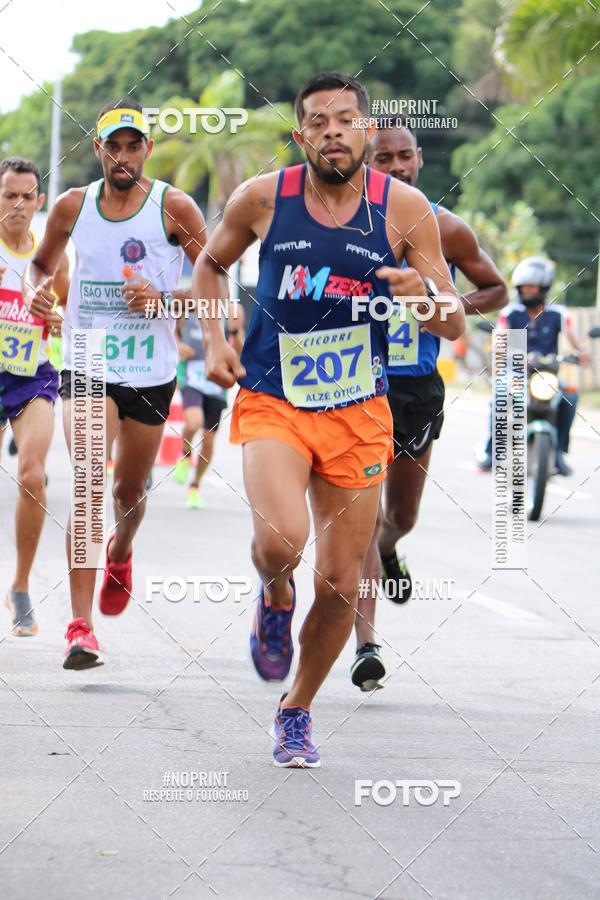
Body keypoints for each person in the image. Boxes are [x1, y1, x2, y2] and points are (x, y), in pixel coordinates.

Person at [193, 71, 464, 766]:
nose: (333, 130)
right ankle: (275, 592)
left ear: (368, 132)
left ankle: (297, 708)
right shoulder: (263, 198)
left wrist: (421, 293)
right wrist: (220, 339)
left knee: (343, 582)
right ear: (300, 135)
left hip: (358, 412)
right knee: (279, 544)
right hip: (276, 400)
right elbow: (209, 264)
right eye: (318, 121)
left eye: (346, 119)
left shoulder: (405, 210)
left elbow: (454, 318)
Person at [24, 100, 208, 669]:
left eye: (133, 145)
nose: (122, 156)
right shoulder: (71, 207)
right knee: (86, 485)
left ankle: (121, 552)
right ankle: (80, 627)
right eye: (112, 145)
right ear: (97, 149)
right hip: (88, 355)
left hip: (150, 369)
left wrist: (165, 301)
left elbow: (216, 288)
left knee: (129, 493)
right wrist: (42, 292)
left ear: (147, 149)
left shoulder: (173, 207)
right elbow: (42, 266)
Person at [350, 119, 508, 691]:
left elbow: (497, 288)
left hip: (417, 389)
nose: (395, 166)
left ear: (419, 162)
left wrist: (441, 301)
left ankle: (393, 551)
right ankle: (367, 646)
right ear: (368, 164)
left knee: (401, 518)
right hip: (357, 385)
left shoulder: (443, 228)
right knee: (362, 522)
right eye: (383, 159)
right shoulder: (344, 225)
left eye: (404, 157)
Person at [0, 157, 68, 637]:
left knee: (32, 474)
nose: (18, 205)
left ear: (39, 202)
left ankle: (20, 585)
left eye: (27, 196)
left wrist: (60, 320)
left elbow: (69, 319)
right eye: (9, 195)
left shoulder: (53, 259)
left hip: (33, 377)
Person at [479, 256, 590, 476]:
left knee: (571, 396)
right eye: (523, 287)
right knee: (499, 396)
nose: (526, 291)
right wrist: (498, 347)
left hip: (547, 374)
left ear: (544, 288)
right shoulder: (510, 312)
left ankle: (558, 452)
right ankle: (492, 451)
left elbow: (572, 336)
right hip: (517, 373)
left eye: (532, 287)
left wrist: (581, 352)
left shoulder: (558, 313)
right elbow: (501, 335)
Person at [173, 299, 245, 508]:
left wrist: (234, 331)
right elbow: (171, 333)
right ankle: (185, 455)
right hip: (193, 374)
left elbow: (240, 346)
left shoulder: (232, 310)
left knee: (209, 439)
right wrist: (178, 346)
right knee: (194, 422)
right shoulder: (188, 305)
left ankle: (195, 486)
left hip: (217, 379)